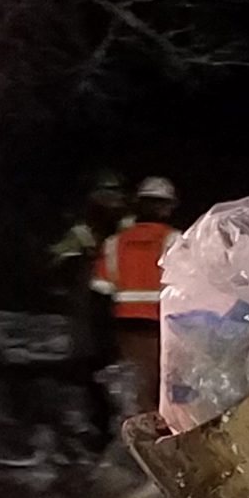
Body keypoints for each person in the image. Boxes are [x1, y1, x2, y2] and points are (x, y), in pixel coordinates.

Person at [91, 175, 181, 422]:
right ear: (168, 207)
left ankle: (128, 433)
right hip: (163, 325)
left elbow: (100, 289)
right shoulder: (175, 241)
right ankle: (149, 440)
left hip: (125, 326)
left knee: (131, 386)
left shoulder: (114, 243)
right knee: (157, 388)